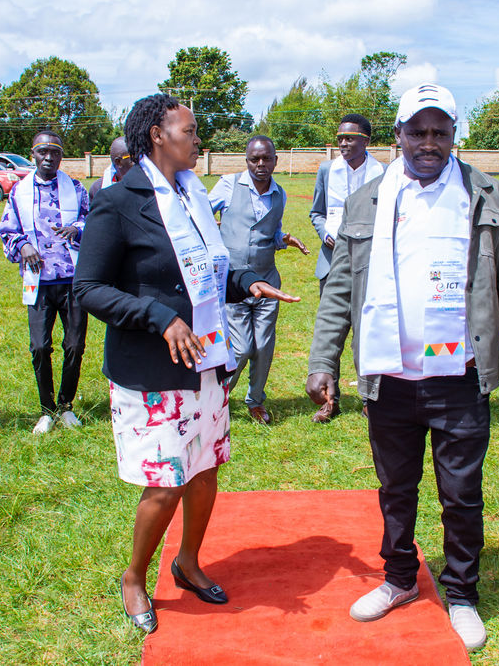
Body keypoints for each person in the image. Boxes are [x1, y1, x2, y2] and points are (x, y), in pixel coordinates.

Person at [307, 83, 499, 653]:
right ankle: (400, 578)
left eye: (440, 131)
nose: (429, 142)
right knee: (396, 489)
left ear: (454, 135)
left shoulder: (487, 195)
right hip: (390, 375)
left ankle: (461, 593)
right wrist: (323, 361)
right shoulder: (368, 199)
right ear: (398, 136)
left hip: (460, 375)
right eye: (418, 131)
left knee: (461, 493)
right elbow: (340, 288)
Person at [73, 93, 298, 633]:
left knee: (203, 472)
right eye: (190, 131)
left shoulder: (193, 194)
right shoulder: (118, 201)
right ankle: (134, 577)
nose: (199, 140)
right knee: (167, 481)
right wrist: (158, 317)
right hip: (154, 366)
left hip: (206, 362)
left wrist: (248, 282)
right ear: (157, 135)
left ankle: (188, 562)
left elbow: (206, 272)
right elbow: (89, 288)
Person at [208, 135, 308, 425]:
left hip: (267, 282)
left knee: (263, 347)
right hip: (234, 285)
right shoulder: (228, 185)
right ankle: (217, 398)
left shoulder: (280, 194)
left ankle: (255, 401)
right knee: (240, 349)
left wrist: (284, 239)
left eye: (266, 158)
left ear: (276, 160)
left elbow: (271, 233)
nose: (261, 164)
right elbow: (200, 215)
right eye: (255, 159)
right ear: (247, 160)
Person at [0, 130, 90, 434]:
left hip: (72, 279)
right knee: (39, 346)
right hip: (39, 281)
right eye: (42, 152)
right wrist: (23, 245)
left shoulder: (75, 188)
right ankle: (46, 409)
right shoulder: (19, 191)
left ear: (62, 156)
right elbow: (8, 230)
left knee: (75, 344)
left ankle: (66, 405)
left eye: (55, 153)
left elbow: (91, 220)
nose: (49, 158)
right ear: (33, 154)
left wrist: (77, 229)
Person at [309, 113, 385, 422]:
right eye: (340, 137)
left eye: (350, 138)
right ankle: (330, 400)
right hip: (332, 260)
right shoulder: (327, 170)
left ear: (366, 141)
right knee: (332, 331)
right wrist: (324, 233)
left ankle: (369, 397)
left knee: (367, 331)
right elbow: (316, 212)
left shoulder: (383, 173)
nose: (343, 143)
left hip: (370, 262)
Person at [89, 136, 132, 201]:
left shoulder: (145, 184)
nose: (139, 161)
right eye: (133, 157)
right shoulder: (98, 188)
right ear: (119, 162)